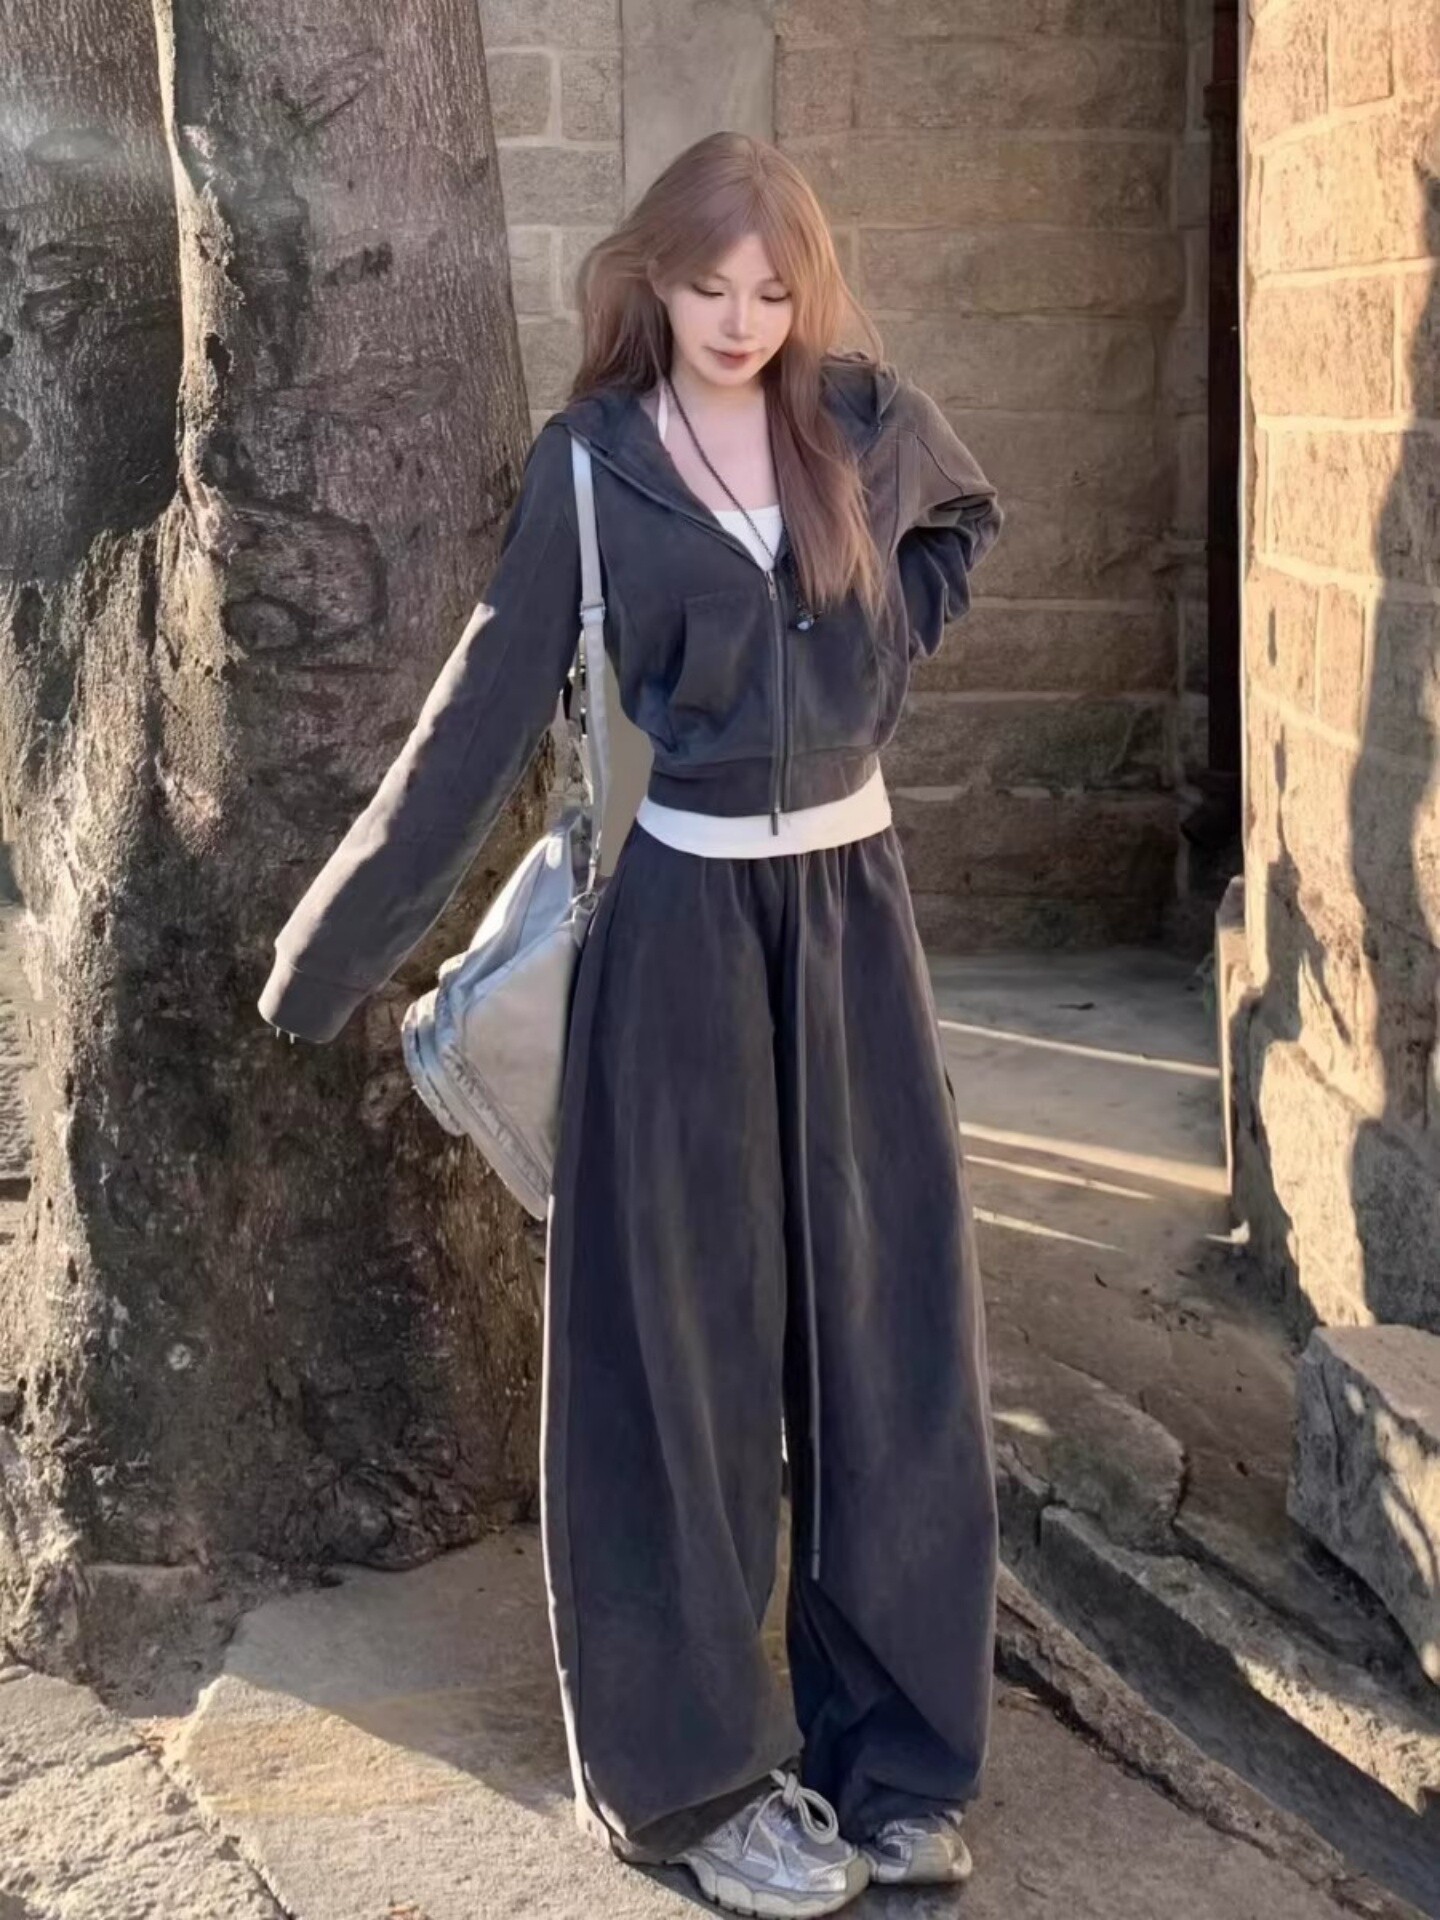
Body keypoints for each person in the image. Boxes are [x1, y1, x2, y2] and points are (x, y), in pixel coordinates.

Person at [258, 130, 1002, 1920]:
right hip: (678, 933)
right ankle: (689, 1788)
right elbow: (475, 720)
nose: (741, 320)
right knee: (675, 1358)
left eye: (772, 290)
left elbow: (965, 527)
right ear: (650, 280)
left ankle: (898, 1765)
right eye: (707, 284)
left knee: (893, 1343)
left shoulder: (866, 421)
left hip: (858, 924)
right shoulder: (591, 467)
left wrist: (874, 651)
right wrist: (330, 957)